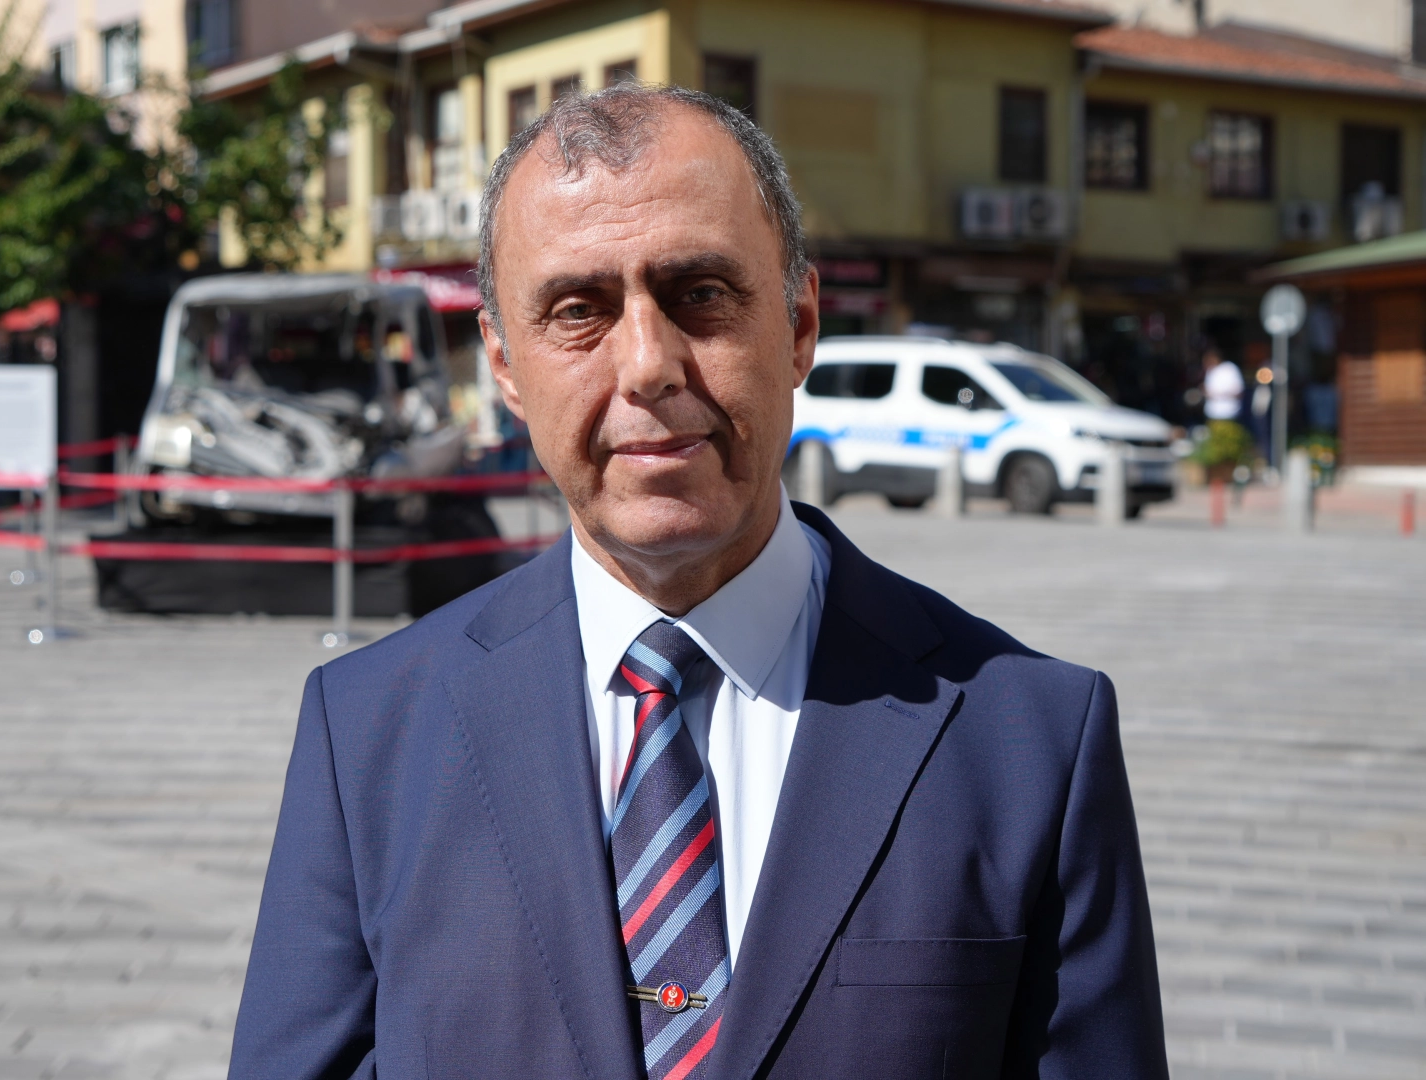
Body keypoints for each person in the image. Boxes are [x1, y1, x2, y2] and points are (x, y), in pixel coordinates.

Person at [230, 84, 1166, 1079]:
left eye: (701, 294)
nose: (648, 365)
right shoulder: (366, 734)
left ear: (799, 326)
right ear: (504, 367)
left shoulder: (1029, 741)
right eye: (578, 310)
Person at [1201, 345, 1244, 422]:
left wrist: (1218, 394)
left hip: (1229, 414)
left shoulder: (1230, 368)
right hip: (1212, 415)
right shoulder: (1210, 371)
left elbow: (1238, 392)